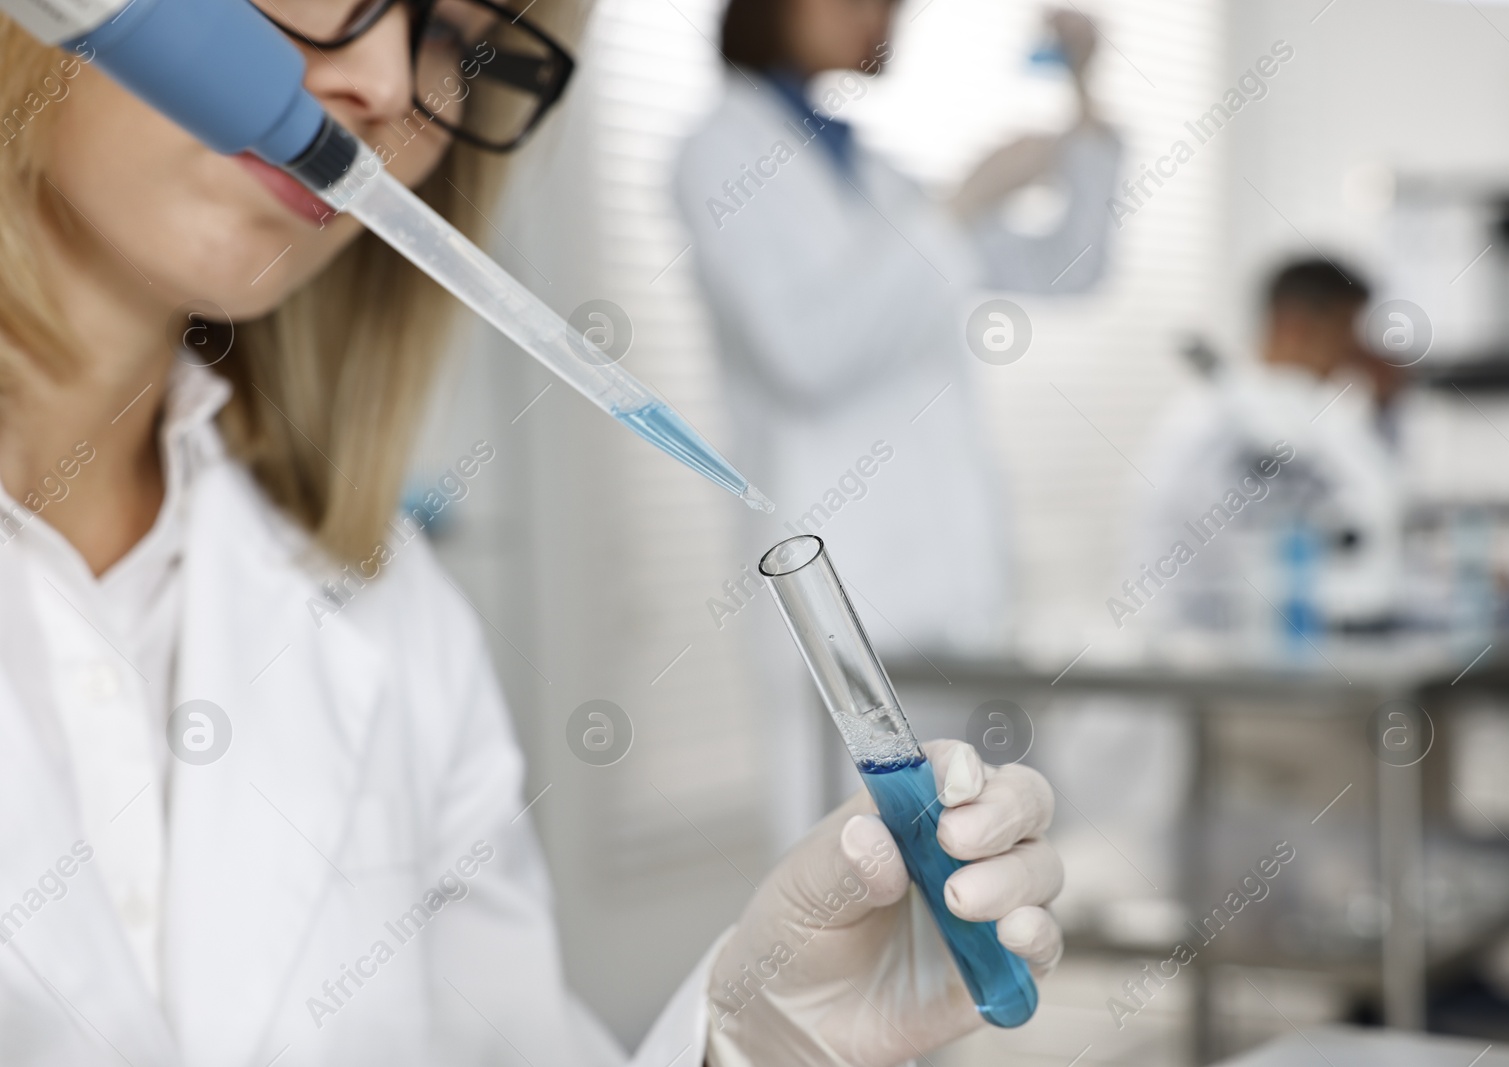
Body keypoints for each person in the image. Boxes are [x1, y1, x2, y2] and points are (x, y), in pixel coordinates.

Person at [0, 0, 1065, 1063]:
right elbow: (818, 340)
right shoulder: (731, 152)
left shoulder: (389, 610)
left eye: (450, 39)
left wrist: (747, 1049)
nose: (381, 83)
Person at [674, 0, 1123, 657]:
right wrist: (958, 208)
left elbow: (1071, 269)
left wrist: (1083, 91)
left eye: (890, 7)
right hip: (842, 576)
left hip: (954, 583)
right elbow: (806, 355)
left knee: (980, 763)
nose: (879, 20)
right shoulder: (719, 152)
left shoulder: (881, 176)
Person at [1132, 257, 1405, 637]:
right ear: (1296, 323)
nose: (1355, 350)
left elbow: (1373, 528)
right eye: (1347, 329)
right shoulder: (1201, 426)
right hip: (1200, 659)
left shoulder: (1326, 420)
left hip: (1312, 652)